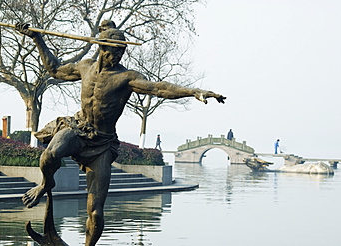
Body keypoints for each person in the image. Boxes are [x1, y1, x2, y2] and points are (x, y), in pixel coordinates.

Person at [16, 21, 225, 246]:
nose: (117, 55)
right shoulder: (85, 67)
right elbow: (55, 70)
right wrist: (37, 39)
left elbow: (159, 88)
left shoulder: (126, 77)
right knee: (50, 154)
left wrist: (193, 91)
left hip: (103, 144)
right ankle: (46, 183)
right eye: (113, 50)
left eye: (121, 51)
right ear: (101, 47)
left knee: (95, 212)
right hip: (78, 129)